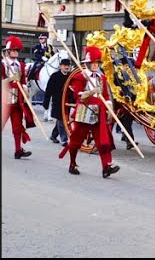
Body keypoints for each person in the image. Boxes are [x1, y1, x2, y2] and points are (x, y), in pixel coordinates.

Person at [62, 46, 120, 178]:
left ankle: (106, 167)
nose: (95, 65)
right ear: (87, 64)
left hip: (99, 113)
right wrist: (92, 91)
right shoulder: (80, 77)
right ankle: (72, 163)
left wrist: (110, 107)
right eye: (92, 63)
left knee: (103, 141)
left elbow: (105, 96)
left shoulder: (102, 78)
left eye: (97, 63)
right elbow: (78, 95)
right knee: (76, 140)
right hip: (85, 112)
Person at [1, 36, 36, 158]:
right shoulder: (3, 64)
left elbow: (24, 81)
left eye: (17, 50)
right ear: (8, 51)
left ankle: (18, 150)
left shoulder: (21, 65)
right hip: (4, 101)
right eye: (13, 50)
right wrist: (10, 79)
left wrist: (26, 90)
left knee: (17, 127)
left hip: (17, 101)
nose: (16, 52)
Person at [43, 58, 72, 146]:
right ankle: (64, 139)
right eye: (64, 65)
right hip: (57, 101)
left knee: (62, 119)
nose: (66, 67)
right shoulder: (55, 76)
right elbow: (49, 90)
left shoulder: (70, 76)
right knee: (61, 119)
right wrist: (46, 102)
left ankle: (53, 135)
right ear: (60, 66)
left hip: (67, 102)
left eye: (68, 65)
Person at [114, 57, 137, 150]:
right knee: (126, 122)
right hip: (120, 102)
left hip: (131, 102)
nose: (128, 68)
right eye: (126, 65)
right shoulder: (118, 75)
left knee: (127, 122)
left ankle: (126, 137)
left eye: (130, 66)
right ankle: (129, 140)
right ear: (122, 66)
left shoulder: (134, 75)